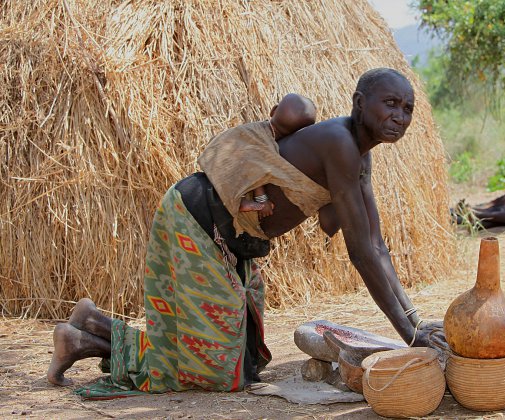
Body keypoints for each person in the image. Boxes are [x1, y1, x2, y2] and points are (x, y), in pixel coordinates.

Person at [48, 68, 438, 397]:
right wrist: (409, 334)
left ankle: (89, 328)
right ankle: (82, 339)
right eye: (390, 103)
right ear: (358, 103)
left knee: (245, 363)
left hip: (232, 241)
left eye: (407, 108)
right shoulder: (339, 143)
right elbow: (360, 252)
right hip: (197, 219)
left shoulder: (359, 157)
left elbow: (376, 244)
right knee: (218, 372)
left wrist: (416, 323)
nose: (400, 116)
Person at [238, 93, 317, 218]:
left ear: (273, 111)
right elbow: (255, 165)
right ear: (298, 134)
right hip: (226, 170)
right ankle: (238, 202)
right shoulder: (269, 145)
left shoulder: (258, 129)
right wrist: (261, 199)